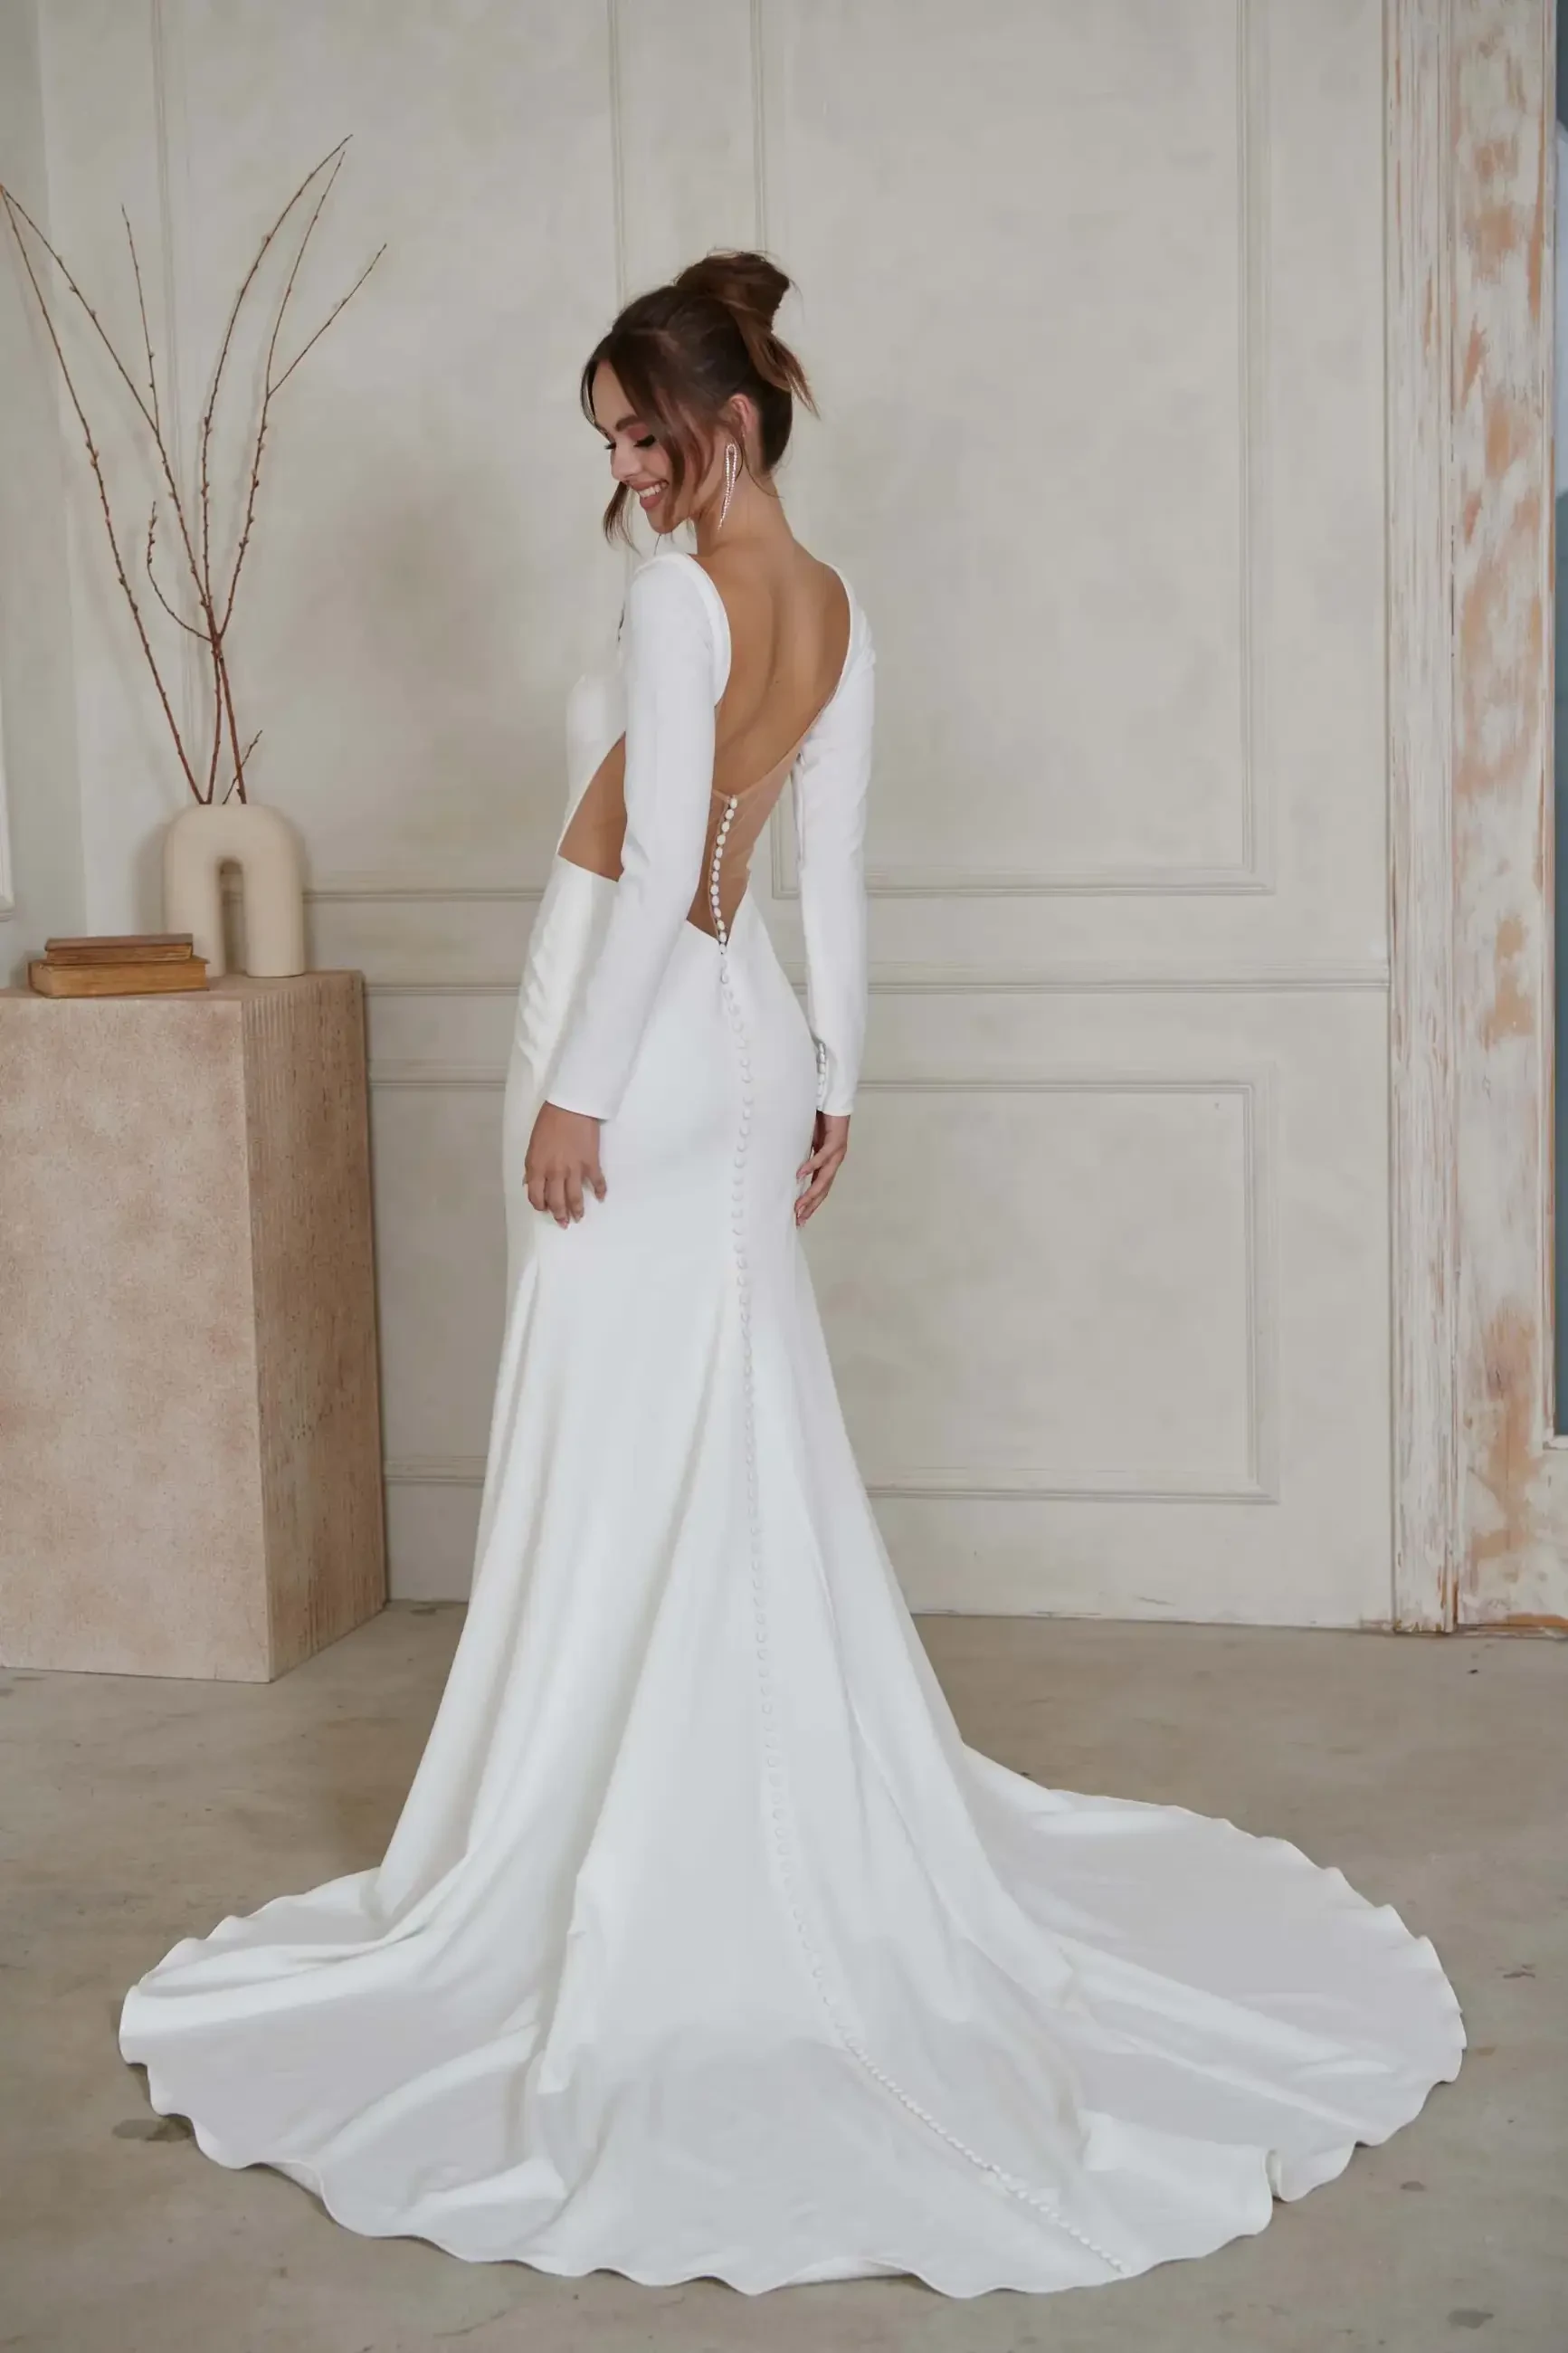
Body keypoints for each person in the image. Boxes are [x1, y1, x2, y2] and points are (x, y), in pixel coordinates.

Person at [119, 251, 1464, 2297]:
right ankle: (717, 1810)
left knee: (615, 1426)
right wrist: (839, 1066)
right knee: (721, 1429)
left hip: (634, 1021)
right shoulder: (835, 607)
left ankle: (620, 1847)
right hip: (742, 1040)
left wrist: (575, 1094)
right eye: (607, 446)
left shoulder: (683, 598)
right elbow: (820, 872)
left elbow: (662, 863)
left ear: (723, 422)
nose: (627, 477)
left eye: (641, 437)